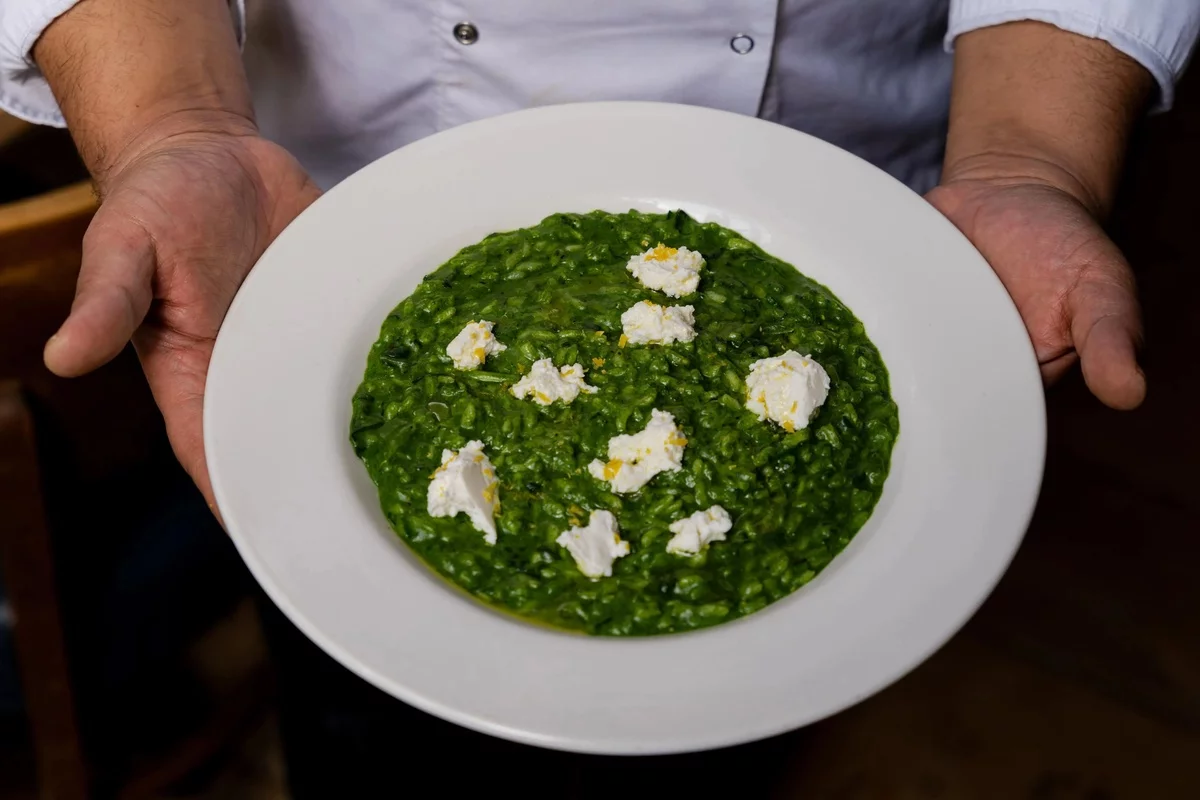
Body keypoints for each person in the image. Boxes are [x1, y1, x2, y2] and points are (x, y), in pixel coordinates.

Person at [2, 0, 1197, 794]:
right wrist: (173, 123)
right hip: (317, 221)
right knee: (375, 729)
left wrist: (1030, 158)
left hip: (861, 197)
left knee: (730, 734)